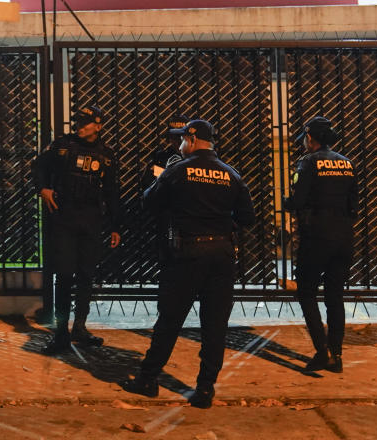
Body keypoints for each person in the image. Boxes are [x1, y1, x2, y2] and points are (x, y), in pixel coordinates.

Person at [120, 119, 255, 408]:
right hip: (221, 254)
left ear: (192, 141)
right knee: (215, 324)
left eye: (182, 140)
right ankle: (205, 389)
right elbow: (247, 217)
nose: (180, 144)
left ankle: (147, 379)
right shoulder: (231, 174)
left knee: (169, 320)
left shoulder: (177, 171)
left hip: (186, 253)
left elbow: (148, 202)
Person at [33, 105, 121, 354]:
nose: (79, 126)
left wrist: (116, 225)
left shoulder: (107, 155)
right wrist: (43, 188)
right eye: (78, 122)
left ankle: (79, 327)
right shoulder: (62, 147)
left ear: (98, 125)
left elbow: (112, 192)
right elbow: (38, 167)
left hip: (91, 220)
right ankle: (61, 333)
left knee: (86, 275)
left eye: (85, 123)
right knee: (63, 275)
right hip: (65, 218)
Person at [284, 116, 358, 373]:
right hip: (344, 237)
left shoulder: (307, 162)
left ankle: (321, 351)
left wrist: (287, 202)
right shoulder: (348, 164)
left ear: (310, 138)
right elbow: (354, 205)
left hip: (316, 236)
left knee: (306, 292)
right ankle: (336, 355)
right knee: (334, 297)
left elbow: (298, 200)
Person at [139, 114, 188, 261]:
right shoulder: (161, 157)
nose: (177, 142)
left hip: (188, 213)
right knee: (167, 252)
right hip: (168, 212)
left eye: (181, 137)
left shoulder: (196, 159)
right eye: (174, 137)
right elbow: (148, 182)